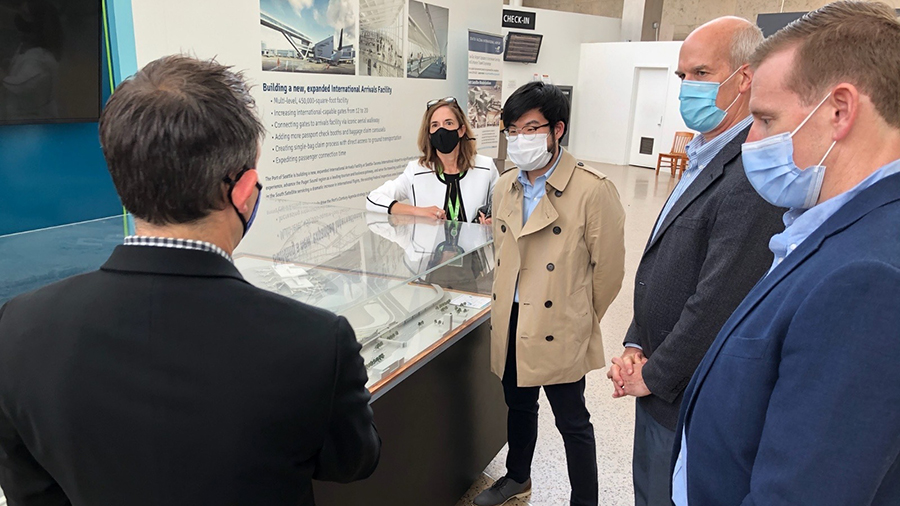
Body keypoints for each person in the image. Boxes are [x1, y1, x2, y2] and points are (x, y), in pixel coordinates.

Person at [0, 55, 380, 506]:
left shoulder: (18, 326)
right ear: (242, 189)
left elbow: (28, 487)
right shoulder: (317, 342)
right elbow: (353, 462)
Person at [674, 2, 900, 505]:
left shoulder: (869, 277)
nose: (751, 138)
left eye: (763, 118)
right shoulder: (837, 227)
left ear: (839, 111)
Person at [605, 17, 784, 506]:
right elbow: (666, 262)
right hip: (656, 366)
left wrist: (655, 374)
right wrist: (636, 340)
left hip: (685, 389)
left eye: (701, 73)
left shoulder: (751, 170)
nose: (687, 88)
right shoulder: (707, 151)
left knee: (667, 491)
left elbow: (719, 297)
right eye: (682, 76)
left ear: (744, 78)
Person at [474, 81, 626, 506]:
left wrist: (578, 315)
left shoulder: (593, 189)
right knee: (518, 407)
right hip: (513, 318)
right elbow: (502, 255)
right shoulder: (505, 185)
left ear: (557, 129)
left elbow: (609, 271)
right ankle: (517, 477)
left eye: (531, 128)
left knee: (572, 419)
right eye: (513, 130)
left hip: (560, 322)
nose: (520, 139)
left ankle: (585, 500)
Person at [366, 96, 498, 223]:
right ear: (429, 134)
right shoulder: (416, 170)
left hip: (475, 245)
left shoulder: (486, 167)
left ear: (461, 130)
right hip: (429, 246)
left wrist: (492, 220)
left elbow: (505, 206)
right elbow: (373, 199)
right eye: (435, 125)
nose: (442, 130)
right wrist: (417, 212)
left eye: (449, 123)